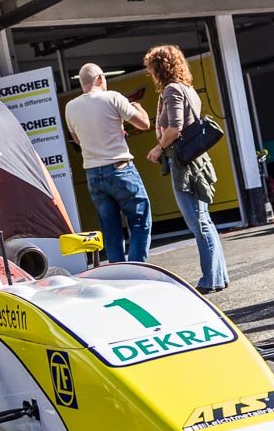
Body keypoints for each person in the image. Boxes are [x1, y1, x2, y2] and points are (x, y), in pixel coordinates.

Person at [144, 45, 229, 294]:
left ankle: (209, 280)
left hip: (185, 166)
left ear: (159, 68)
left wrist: (158, 148)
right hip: (198, 162)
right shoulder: (188, 89)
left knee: (198, 224)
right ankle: (219, 276)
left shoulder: (171, 90)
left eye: (152, 68)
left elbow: (175, 127)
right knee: (206, 221)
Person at [65, 63, 152, 263]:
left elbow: (78, 140)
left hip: (94, 174)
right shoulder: (113, 97)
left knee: (111, 231)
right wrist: (137, 107)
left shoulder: (71, 107)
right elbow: (144, 124)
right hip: (120, 169)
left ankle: (118, 275)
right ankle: (136, 271)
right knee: (140, 222)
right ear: (100, 78)